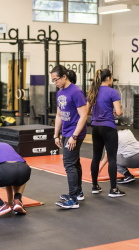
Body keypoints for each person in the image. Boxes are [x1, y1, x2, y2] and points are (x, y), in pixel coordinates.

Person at [52, 66, 88, 209]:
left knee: (68, 163)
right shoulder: (60, 92)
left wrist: (74, 136)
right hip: (67, 131)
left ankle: (73, 199)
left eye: (56, 80)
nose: (55, 83)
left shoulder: (76, 92)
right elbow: (59, 115)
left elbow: (84, 115)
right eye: (53, 80)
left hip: (75, 132)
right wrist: (56, 135)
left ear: (64, 77)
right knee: (74, 162)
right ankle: (77, 192)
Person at [87, 69, 125, 198]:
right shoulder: (112, 92)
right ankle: (113, 189)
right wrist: (114, 113)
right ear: (108, 79)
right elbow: (119, 112)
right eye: (112, 78)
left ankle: (94, 186)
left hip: (96, 127)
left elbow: (87, 112)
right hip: (108, 127)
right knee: (112, 158)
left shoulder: (93, 91)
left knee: (96, 157)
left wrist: (99, 113)